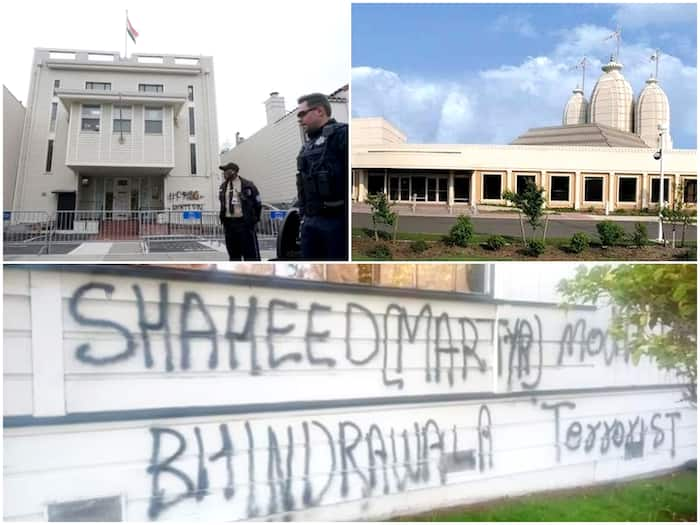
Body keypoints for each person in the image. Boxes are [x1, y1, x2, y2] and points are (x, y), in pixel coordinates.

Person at [295, 92, 348, 260]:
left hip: (336, 223)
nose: (300, 119)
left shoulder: (342, 135)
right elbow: (302, 185)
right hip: (311, 223)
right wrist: (303, 217)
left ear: (319, 111)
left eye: (303, 114)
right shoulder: (307, 147)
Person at [218, 162, 262, 260]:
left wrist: (254, 220)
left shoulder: (248, 185)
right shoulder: (223, 186)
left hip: (244, 224)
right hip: (229, 225)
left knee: (250, 254)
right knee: (233, 254)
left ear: (233, 172)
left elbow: (258, 204)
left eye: (226, 171)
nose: (224, 174)